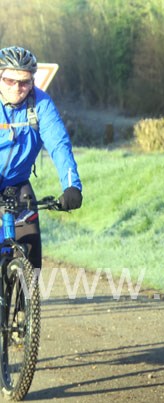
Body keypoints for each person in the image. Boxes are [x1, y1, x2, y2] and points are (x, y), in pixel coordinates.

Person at [0, 46, 83, 272]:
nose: (17, 88)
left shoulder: (40, 104)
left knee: (32, 250)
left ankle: (27, 291)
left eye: (24, 82)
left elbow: (59, 145)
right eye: (10, 81)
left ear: (32, 81)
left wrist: (71, 186)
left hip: (17, 184)